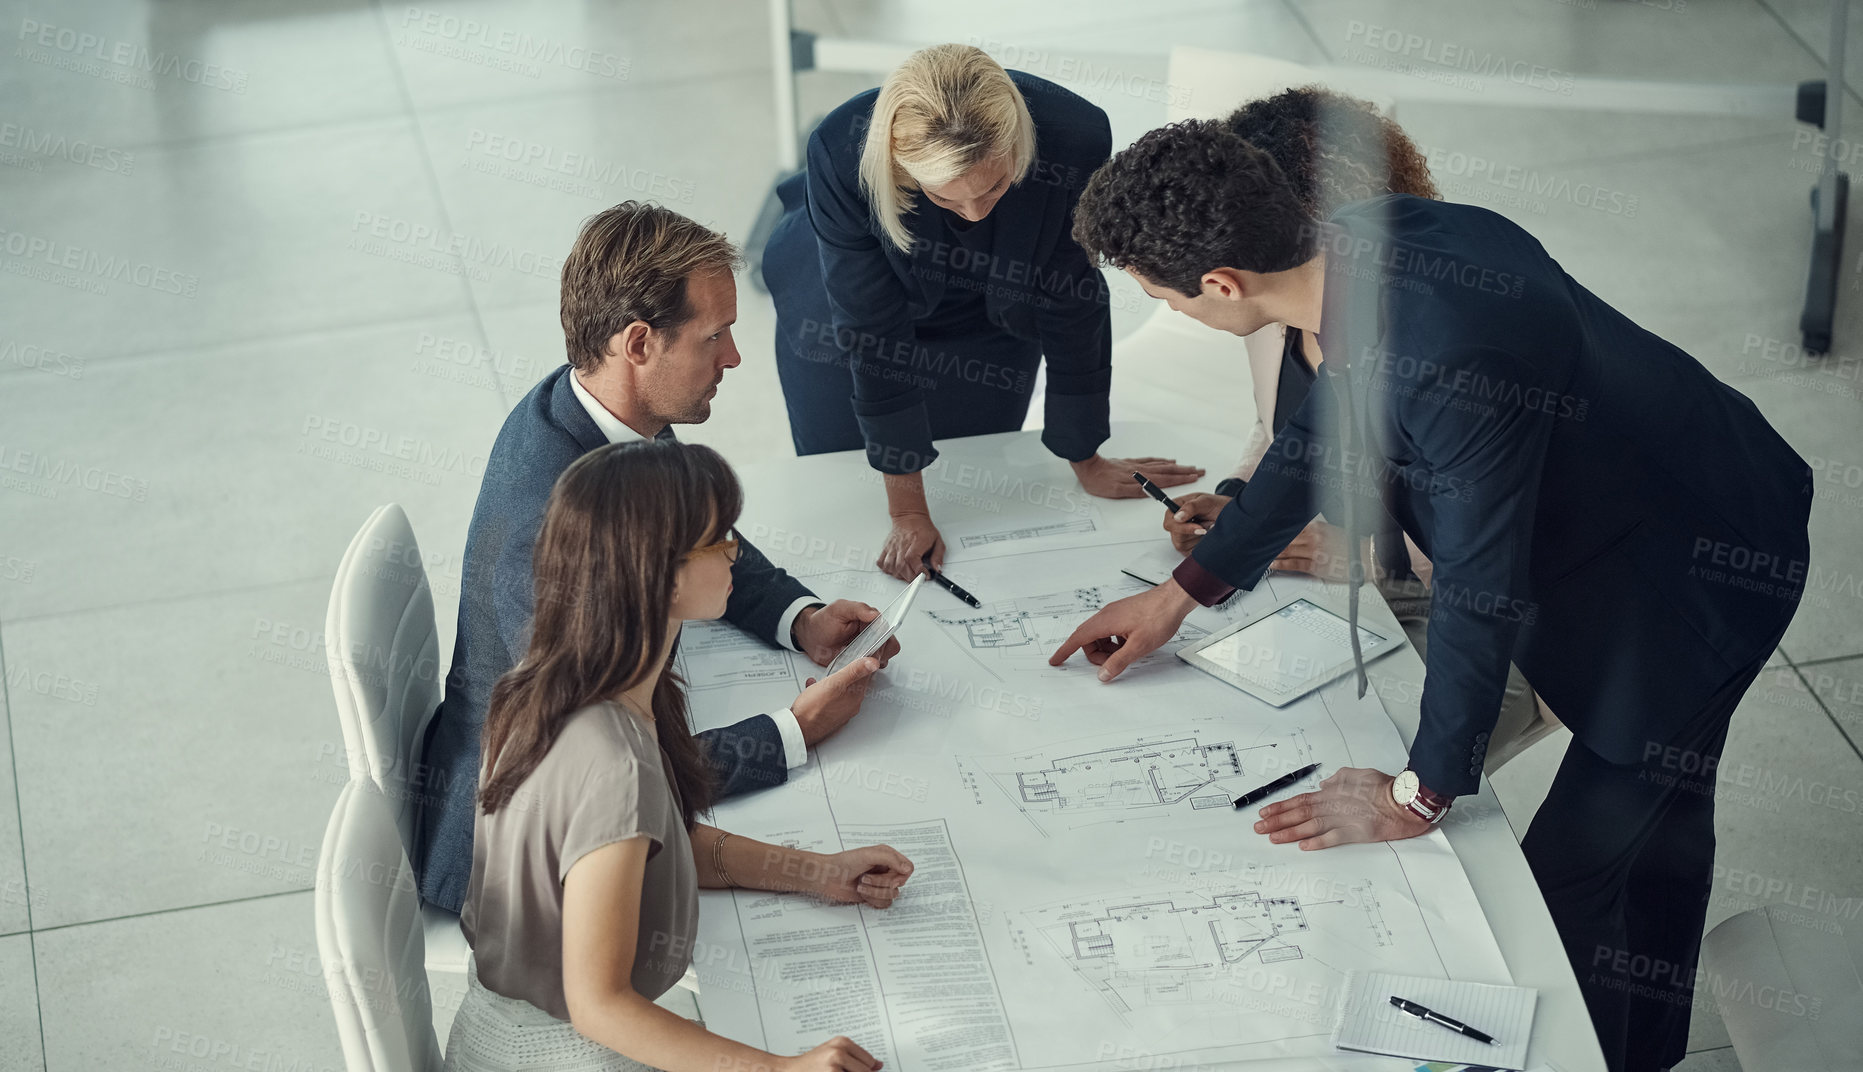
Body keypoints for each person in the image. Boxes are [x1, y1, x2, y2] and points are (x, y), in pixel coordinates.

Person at [1049, 119, 1811, 1072]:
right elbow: (1325, 426)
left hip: (1693, 585)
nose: (1164, 307)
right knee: (1661, 829)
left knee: (1563, 893)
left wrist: (1419, 795)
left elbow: (1478, 593)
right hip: (1665, 501)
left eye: (1157, 295)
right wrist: (1183, 591)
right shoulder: (1368, 240)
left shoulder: (1447, 358)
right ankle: (1646, 1052)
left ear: (1220, 284)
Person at [418, 203, 900, 914]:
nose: (733, 358)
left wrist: (797, 618)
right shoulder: (551, 534)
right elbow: (598, 778)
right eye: (715, 336)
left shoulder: (592, 408)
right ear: (638, 342)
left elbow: (689, 523)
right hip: (517, 849)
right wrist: (793, 730)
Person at [448, 439, 912, 1072]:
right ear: (660, 575)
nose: (735, 554)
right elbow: (600, 1006)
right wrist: (780, 1069)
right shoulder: (612, 764)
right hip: (571, 1051)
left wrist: (818, 873)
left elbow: (653, 843)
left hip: (520, 1026)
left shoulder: (564, 680)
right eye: (718, 540)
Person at [1161, 86, 1558, 775]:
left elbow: (1485, 554)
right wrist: (1238, 499)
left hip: (1483, 620)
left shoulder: (1442, 343)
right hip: (1334, 598)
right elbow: (1278, 426)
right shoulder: (1266, 304)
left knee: (1346, 772)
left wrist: (1355, 551)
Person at [763, 42, 1202, 580]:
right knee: (841, 498)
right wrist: (908, 511)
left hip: (995, 303)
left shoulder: (1076, 136)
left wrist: (1083, 452)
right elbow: (871, 331)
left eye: (995, 186)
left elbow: (1070, 293)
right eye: (947, 198)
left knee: (984, 469)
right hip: (839, 314)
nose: (973, 211)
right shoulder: (841, 150)